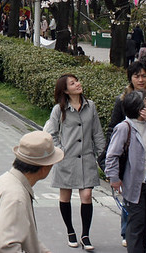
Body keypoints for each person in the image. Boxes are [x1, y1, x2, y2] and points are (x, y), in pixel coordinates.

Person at [105, 61, 146, 251]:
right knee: (136, 222)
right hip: (134, 180)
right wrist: (114, 178)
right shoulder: (125, 127)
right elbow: (112, 155)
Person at [43, 74, 105, 251]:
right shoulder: (59, 109)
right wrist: (60, 150)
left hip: (86, 159)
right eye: (72, 83)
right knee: (66, 196)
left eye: (77, 81)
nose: (78, 84)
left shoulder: (90, 106)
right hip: (66, 159)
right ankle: (70, 230)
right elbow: (52, 133)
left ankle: (85, 235)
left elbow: (97, 133)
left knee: (86, 196)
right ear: (65, 89)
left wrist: (103, 159)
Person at [0, 131, 64, 253]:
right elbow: (2, 246)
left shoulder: (4, 181)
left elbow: (26, 235)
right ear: (44, 168)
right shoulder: (16, 196)